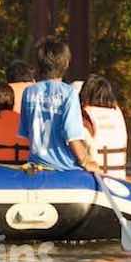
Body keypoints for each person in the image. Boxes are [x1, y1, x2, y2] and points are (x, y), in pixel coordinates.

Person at [18, 37, 100, 173]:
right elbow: (72, 136)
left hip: (36, 165)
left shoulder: (29, 92)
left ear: (39, 65)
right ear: (66, 64)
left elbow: (27, 132)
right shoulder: (69, 94)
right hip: (64, 168)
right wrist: (86, 160)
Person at [79, 74, 128, 179]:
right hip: (119, 178)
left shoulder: (85, 117)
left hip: (95, 179)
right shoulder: (117, 113)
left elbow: (74, 144)